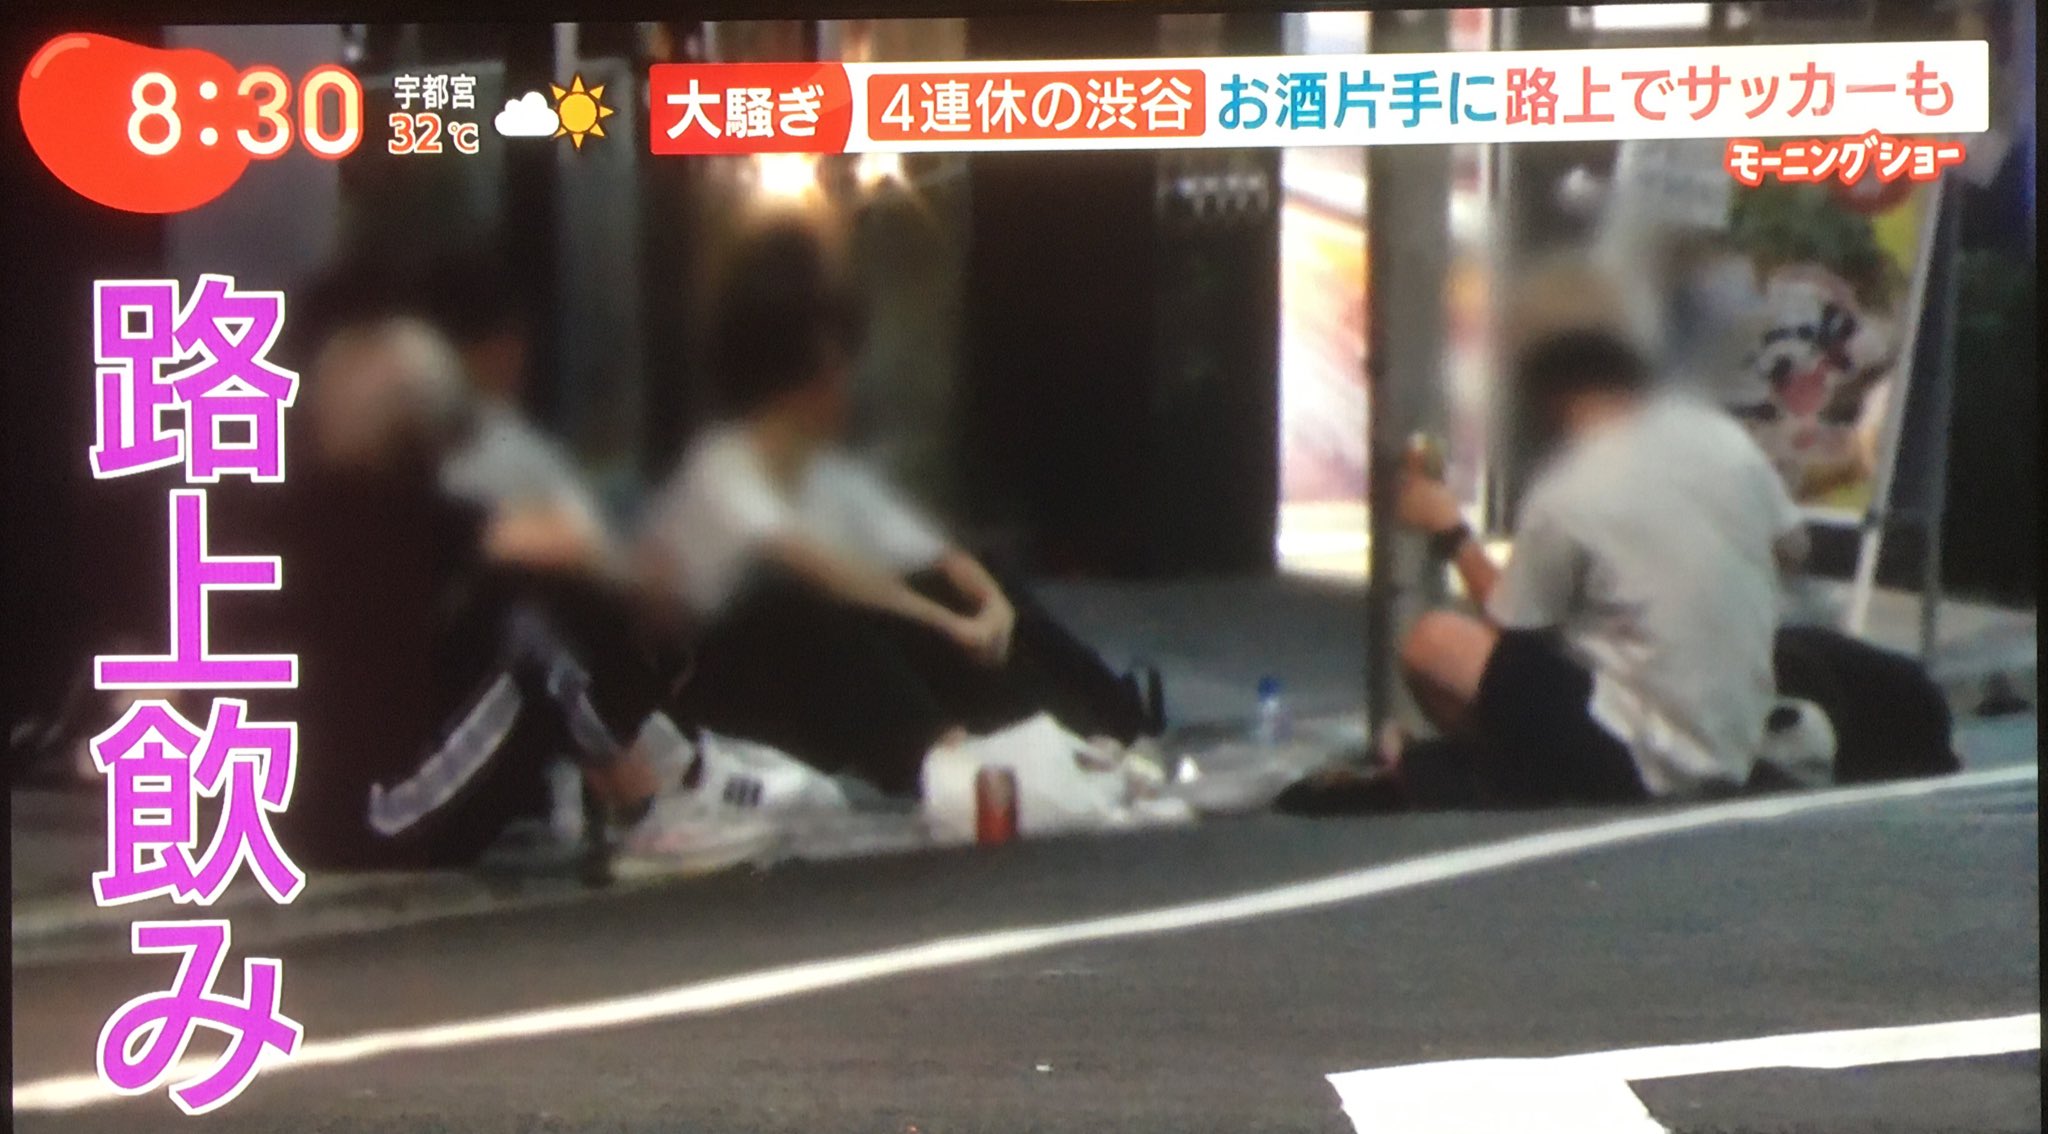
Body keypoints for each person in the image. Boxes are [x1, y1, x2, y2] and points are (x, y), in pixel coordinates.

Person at [638, 216, 1157, 800]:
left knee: (964, 585)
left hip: (819, 663)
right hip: (730, 684)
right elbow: (828, 575)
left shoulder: (824, 471)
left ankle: (1107, 724)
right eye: (829, 374)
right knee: (816, 612)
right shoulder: (722, 470)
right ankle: (947, 756)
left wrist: (991, 608)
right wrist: (950, 626)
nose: (843, 389)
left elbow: (935, 552)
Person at [264, 296, 767, 874]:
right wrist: (650, 597)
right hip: (372, 822)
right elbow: (559, 549)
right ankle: (647, 805)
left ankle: (648, 775)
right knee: (531, 631)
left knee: (511, 621)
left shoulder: (303, 513)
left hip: (298, 815)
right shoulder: (388, 512)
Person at [1295, 313, 1809, 812]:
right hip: (1737, 738)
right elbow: (1794, 550)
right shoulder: (1721, 437)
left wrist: (1451, 533)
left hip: (1638, 753)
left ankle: (1503, 777)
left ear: (1554, 400)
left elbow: (1511, 628)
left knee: (1435, 641)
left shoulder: (1571, 487)